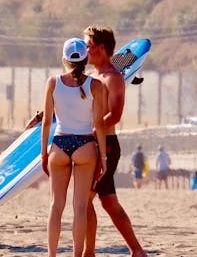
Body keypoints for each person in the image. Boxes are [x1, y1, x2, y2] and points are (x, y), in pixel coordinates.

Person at [82, 26, 147, 257]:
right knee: (109, 202)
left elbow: (115, 115)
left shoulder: (113, 78)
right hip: (91, 144)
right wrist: (42, 116)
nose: (85, 51)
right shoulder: (89, 77)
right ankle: (137, 251)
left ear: (100, 48)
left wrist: (92, 130)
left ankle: (88, 253)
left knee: (84, 201)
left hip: (106, 145)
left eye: (88, 46)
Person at [41, 37, 107, 257]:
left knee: (55, 206)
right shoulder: (95, 85)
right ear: (86, 59)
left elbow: (47, 122)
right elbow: (98, 125)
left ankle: (52, 255)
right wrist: (103, 158)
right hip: (85, 146)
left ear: (64, 59)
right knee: (80, 207)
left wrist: (44, 153)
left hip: (59, 145)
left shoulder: (53, 82)